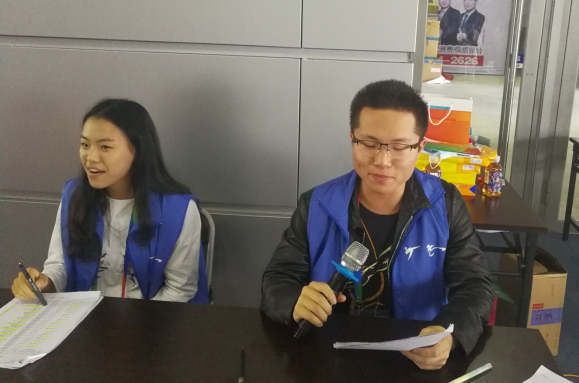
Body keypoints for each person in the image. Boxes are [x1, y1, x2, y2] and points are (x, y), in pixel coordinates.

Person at [261, 80, 493, 370]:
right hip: (326, 356)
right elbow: (277, 279)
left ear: (420, 147)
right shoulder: (317, 204)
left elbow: (475, 286)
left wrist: (448, 333)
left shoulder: (445, 204)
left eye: (399, 146)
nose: (382, 160)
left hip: (414, 357)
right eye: (369, 144)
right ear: (353, 139)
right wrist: (294, 301)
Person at [11, 99, 209, 303]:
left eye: (105, 147)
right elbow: (59, 266)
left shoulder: (178, 209)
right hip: (83, 315)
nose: (90, 157)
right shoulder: (74, 195)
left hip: (151, 319)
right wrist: (43, 283)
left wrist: (131, 323)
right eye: (85, 144)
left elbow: (179, 290)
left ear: (138, 150)